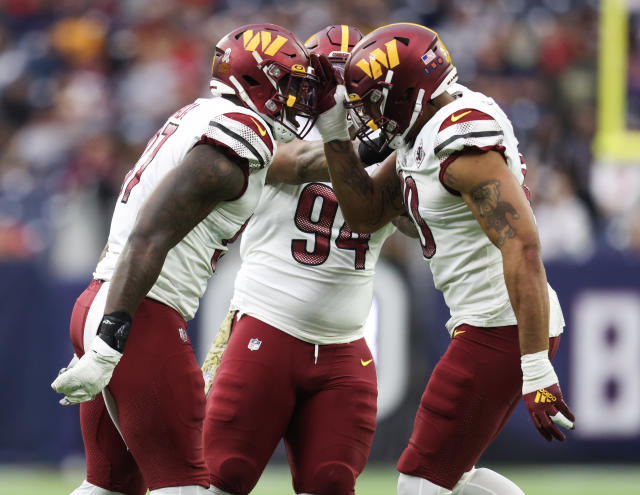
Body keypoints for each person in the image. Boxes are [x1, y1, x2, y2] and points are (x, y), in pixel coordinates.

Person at [50, 23, 320, 495]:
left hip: (101, 297)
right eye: (291, 84)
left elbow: (295, 164)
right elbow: (148, 234)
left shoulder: (205, 115)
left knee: (109, 487)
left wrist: (365, 148)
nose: (299, 97)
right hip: (138, 313)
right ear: (258, 81)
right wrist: (114, 338)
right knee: (185, 486)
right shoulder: (239, 133)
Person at [311, 23, 576, 495]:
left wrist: (535, 366)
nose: (368, 113)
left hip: (500, 325)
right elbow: (368, 213)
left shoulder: (461, 143)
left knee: (420, 481)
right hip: (486, 323)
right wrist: (333, 136)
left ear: (406, 91)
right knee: (451, 479)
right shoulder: (425, 132)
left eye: (375, 98)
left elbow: (523, 246)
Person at [200, 24, 408, 495]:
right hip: (264, 325)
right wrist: (356, 143)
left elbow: (417, 218)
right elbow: (291, 162)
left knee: (331, 482)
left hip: (344, 345)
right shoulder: (277, 127)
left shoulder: (397, 143)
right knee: (222, 474)